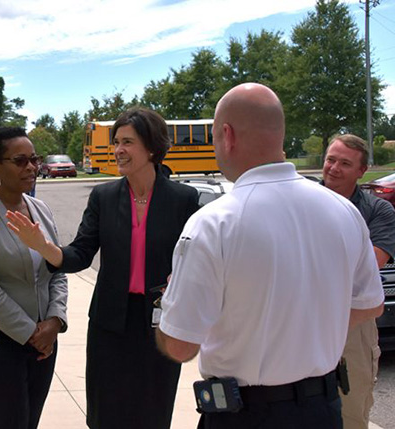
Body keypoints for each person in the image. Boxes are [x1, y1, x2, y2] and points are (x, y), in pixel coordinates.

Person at [156, 83, 385, 429]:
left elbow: (179, 346)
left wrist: (166, 304)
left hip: (246, 414)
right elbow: (370, 305)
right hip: (323, 409)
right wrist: (306, 323)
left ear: (227, 135)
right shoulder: (343, 211)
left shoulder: (213, 222)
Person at [7, 107, 200, 429]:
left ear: (152, 147)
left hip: (160, 323)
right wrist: (44, 247)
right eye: (116, 142)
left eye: (128, 142)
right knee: (105, 411)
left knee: (153, 408)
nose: (118, 150)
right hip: (110, 324)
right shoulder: (104, 197)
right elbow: (81, 253)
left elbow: (193, 259)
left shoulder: (183, 199)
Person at [0, 127, 68, 429]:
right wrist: (30, 332)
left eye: (34, 159)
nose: (31, 167)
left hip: (44, 345)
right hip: (0, 347)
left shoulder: (40, 209)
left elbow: (57, 267)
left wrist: (54, 320)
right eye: (20, 160)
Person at [322, 134, 395, 429]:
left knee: (351, 412)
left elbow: (370, 265)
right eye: (330, 159)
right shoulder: (299, 204)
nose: (333, 168)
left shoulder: (379, 211)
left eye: (345, 163)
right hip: (301, 319)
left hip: (354, 320)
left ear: (362, 171)